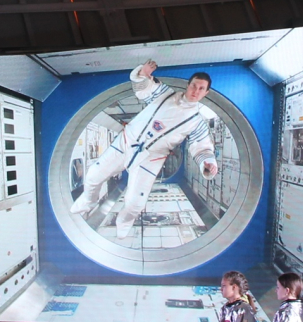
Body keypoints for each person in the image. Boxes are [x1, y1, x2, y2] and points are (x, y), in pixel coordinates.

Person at [68, 61, 220, 240]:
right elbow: (143, 88)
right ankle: (88, 201)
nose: (196, 91)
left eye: (201, 89)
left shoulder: (197, 122)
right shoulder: (165, 94)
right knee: (93, 175)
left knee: (135, 203)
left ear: (206, 93)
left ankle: (124, 221)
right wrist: (143, 74)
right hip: (127, 142)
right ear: (188, 85)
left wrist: (207, 163)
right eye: (194, 85)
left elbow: (201, 147)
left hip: (151, 158)